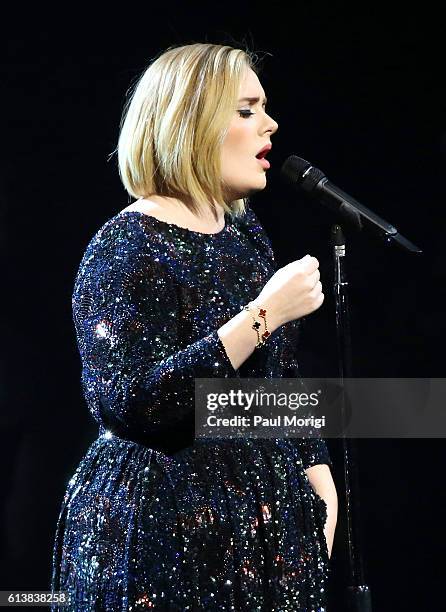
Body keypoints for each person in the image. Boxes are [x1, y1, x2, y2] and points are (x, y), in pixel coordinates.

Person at [51, 42, 338, 611]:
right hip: (161, 521)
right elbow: (132, 403)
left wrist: (317, 465)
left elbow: (274, 378)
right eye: (247, 109)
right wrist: (264, 315)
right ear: (192, 124)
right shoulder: (125, 244)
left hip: (260, 523)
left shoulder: (245, 238)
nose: (271, 124)